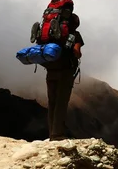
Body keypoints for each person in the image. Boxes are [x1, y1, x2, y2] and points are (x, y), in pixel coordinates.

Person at [43, 13, 84, 141]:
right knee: (61, 102)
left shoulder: (53, 34)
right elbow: (77, 52)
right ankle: (57, 134)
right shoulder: (75, 35)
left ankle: (51, 134)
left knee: (52, 102)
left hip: (51, 71)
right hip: (65, 73)